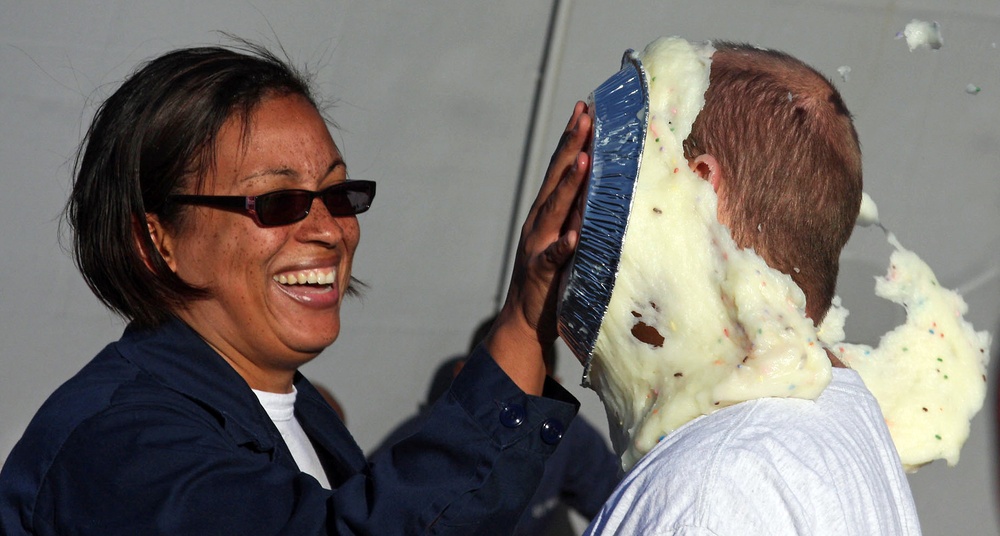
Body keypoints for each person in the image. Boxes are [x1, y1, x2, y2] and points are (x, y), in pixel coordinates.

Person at [0, 42, 592, 535]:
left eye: (339, 194)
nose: (329, 229)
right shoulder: (122, 447)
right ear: (158, 241)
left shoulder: (298, 415)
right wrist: (522, 316)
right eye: (279, 202)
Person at [584, 42, 921, 534]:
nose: (578, 222)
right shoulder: (837, 411)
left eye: (608, 181)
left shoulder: (709, 492)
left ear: (697, 191)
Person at [371, 315, 621, 535]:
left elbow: (620, 504)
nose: (513, 404)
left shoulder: (567, 437)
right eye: (500, 382)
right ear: (462, 375)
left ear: (553, 389)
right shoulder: (413, 446)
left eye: (531, 390)